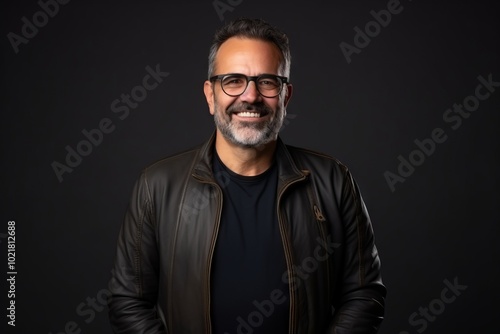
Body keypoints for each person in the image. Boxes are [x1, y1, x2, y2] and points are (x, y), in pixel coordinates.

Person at [108, 17, 386, 334]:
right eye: (233, 80)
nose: (250, 96)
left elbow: (364, 296)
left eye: (267, 81)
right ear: (210, 94)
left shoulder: (334, 181)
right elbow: (127, 301)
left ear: (286, 96)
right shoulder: (156, 186)